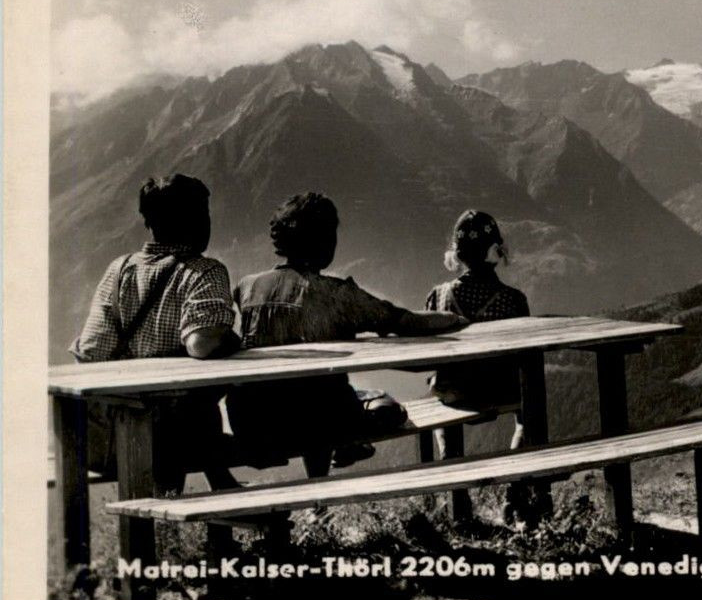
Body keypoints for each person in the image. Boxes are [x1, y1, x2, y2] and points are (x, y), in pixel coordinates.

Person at [226, 192, 467, 470]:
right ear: (325, 241)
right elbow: (405, 321)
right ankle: (344, 448)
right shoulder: (338, 295)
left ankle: (325, 480)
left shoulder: (246, 288)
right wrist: (454, 318)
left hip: (259, 425)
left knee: (309, 394)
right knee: (383, 407)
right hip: (321, 421)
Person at [70, 174, 241, 492]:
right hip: (172, 437)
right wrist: (227, 336)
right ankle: (222, 491)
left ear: (149, 222)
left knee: (183, 408)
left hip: (112, 437)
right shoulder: (204, 272)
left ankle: (211, 499)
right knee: (195, 403)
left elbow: (91, 350)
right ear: (196, 220)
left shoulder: (118, 269)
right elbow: (201, 344)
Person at [426, 209, 531, 421]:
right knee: (528, 394)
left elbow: (431, 353)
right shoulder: (514, 300)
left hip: (453, 392)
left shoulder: (437, 297)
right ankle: (522, 443)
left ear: (458, 254)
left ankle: (447, 452)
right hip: (500, 390)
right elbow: (524, 358)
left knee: (437, 381)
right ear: (496, 252)